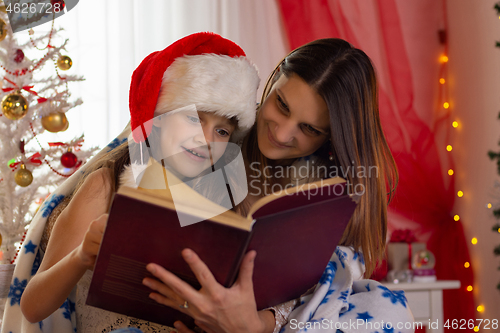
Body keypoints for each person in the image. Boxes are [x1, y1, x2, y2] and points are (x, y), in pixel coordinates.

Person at [140, 39, 415, 333]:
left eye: (309, 128)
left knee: (388, 310)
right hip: (192, 307)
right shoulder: (223, 128)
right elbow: (133, 147)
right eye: (281, 104)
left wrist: (262, 324)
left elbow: (337, 275)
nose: (282, 134)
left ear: (332, 138)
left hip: (280, 321)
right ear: (272, 81)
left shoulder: (334, 186)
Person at [2, 32, 260, 333]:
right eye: (194, 119)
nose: (206, 140)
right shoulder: (105, 186)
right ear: (159, 117)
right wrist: (81, 255)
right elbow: (33, 307)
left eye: (222, 132)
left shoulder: (225, 202)